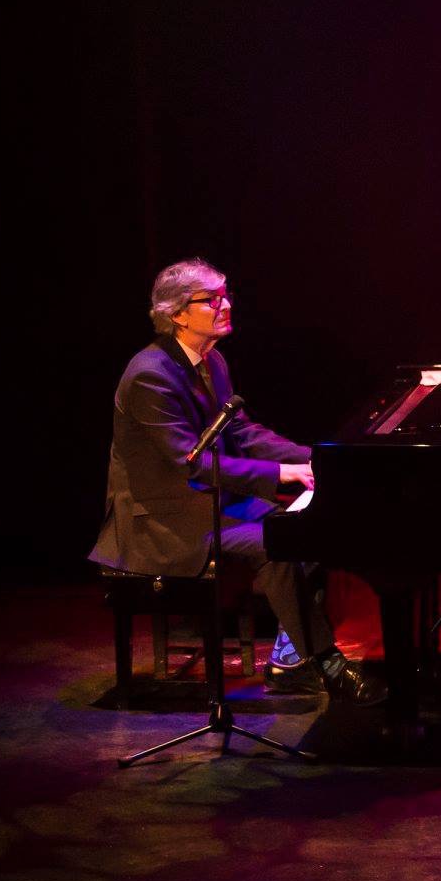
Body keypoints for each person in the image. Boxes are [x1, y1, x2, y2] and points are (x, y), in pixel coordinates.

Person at [90, 259, 383, 705]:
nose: (225, 305)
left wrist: (315, 458)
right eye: (211, 300)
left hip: (209, 502)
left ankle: (289, 662)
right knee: (276, 545)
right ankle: (328, 664)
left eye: (225, 295)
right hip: (163, 521)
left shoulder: (211, 360)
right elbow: (190, 463)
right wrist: (282, 473)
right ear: (177, 314)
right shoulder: (149, 375)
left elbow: (242, 432)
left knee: (309, 532)